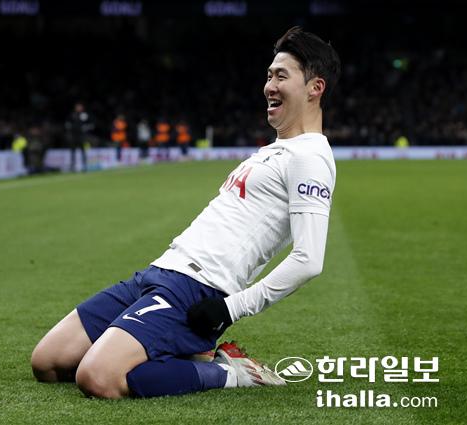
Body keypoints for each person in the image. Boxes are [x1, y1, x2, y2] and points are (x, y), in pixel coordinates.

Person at [31, 26, 341, 399]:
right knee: (48, 361)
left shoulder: (310, 158)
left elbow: (309, 260)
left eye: (281, 76)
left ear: (315, 88)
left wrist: (230, 309)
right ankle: (183, 353)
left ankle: (229, 372)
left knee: (98, 377)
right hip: (160, 271)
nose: (269, 86)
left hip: (197, 288)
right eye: (269, 76)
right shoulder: (273, 150)